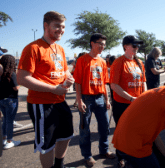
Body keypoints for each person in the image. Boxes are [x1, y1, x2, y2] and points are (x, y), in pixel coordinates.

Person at [17, 11, 75, 168]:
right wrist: (53, 89)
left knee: (66, 136)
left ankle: (59, 165)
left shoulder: (60, 49)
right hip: (41, 104)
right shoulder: (33, 48)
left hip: (60, 101)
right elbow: (22, 78)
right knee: (47, 145)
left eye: (63, 27)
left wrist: (68, 78)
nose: (61, 30)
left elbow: (64, 71)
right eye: (57, 26)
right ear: (46, 25)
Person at [73, 33, 115, 167]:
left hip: (100, 98)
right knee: (85, 129)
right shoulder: (82, 60)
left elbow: (104, 83)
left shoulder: (103, 62)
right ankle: (87, 155)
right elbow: (77, 82)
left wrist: (107, 100)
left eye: (104, 44)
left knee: (104, 127)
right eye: (100, 43)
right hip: (86, 98)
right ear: (92, 43)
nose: (103, 46)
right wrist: (79, 100)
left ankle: (104, 150)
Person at [110, 35, 147, 167]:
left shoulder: (139, 62)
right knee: (123, 132)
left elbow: (143, 82)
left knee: (136, 131)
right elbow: (114, 85)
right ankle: (121, 157)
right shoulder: (119, 62)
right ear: (126, 46)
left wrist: (144, 97)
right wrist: (131, 98)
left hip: (137, 103)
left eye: (138, 45)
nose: (137, 48)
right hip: (122, 104)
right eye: (134, 45)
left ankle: (134, 154)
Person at [0, 55, 21, 149]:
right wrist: (20, 82)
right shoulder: (11, 73)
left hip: (2, 99)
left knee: (5, 120)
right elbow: (16, 88)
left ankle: (4, 138)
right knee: (9, 121)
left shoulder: (0, 73)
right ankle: (10, 140)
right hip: (11, 100)